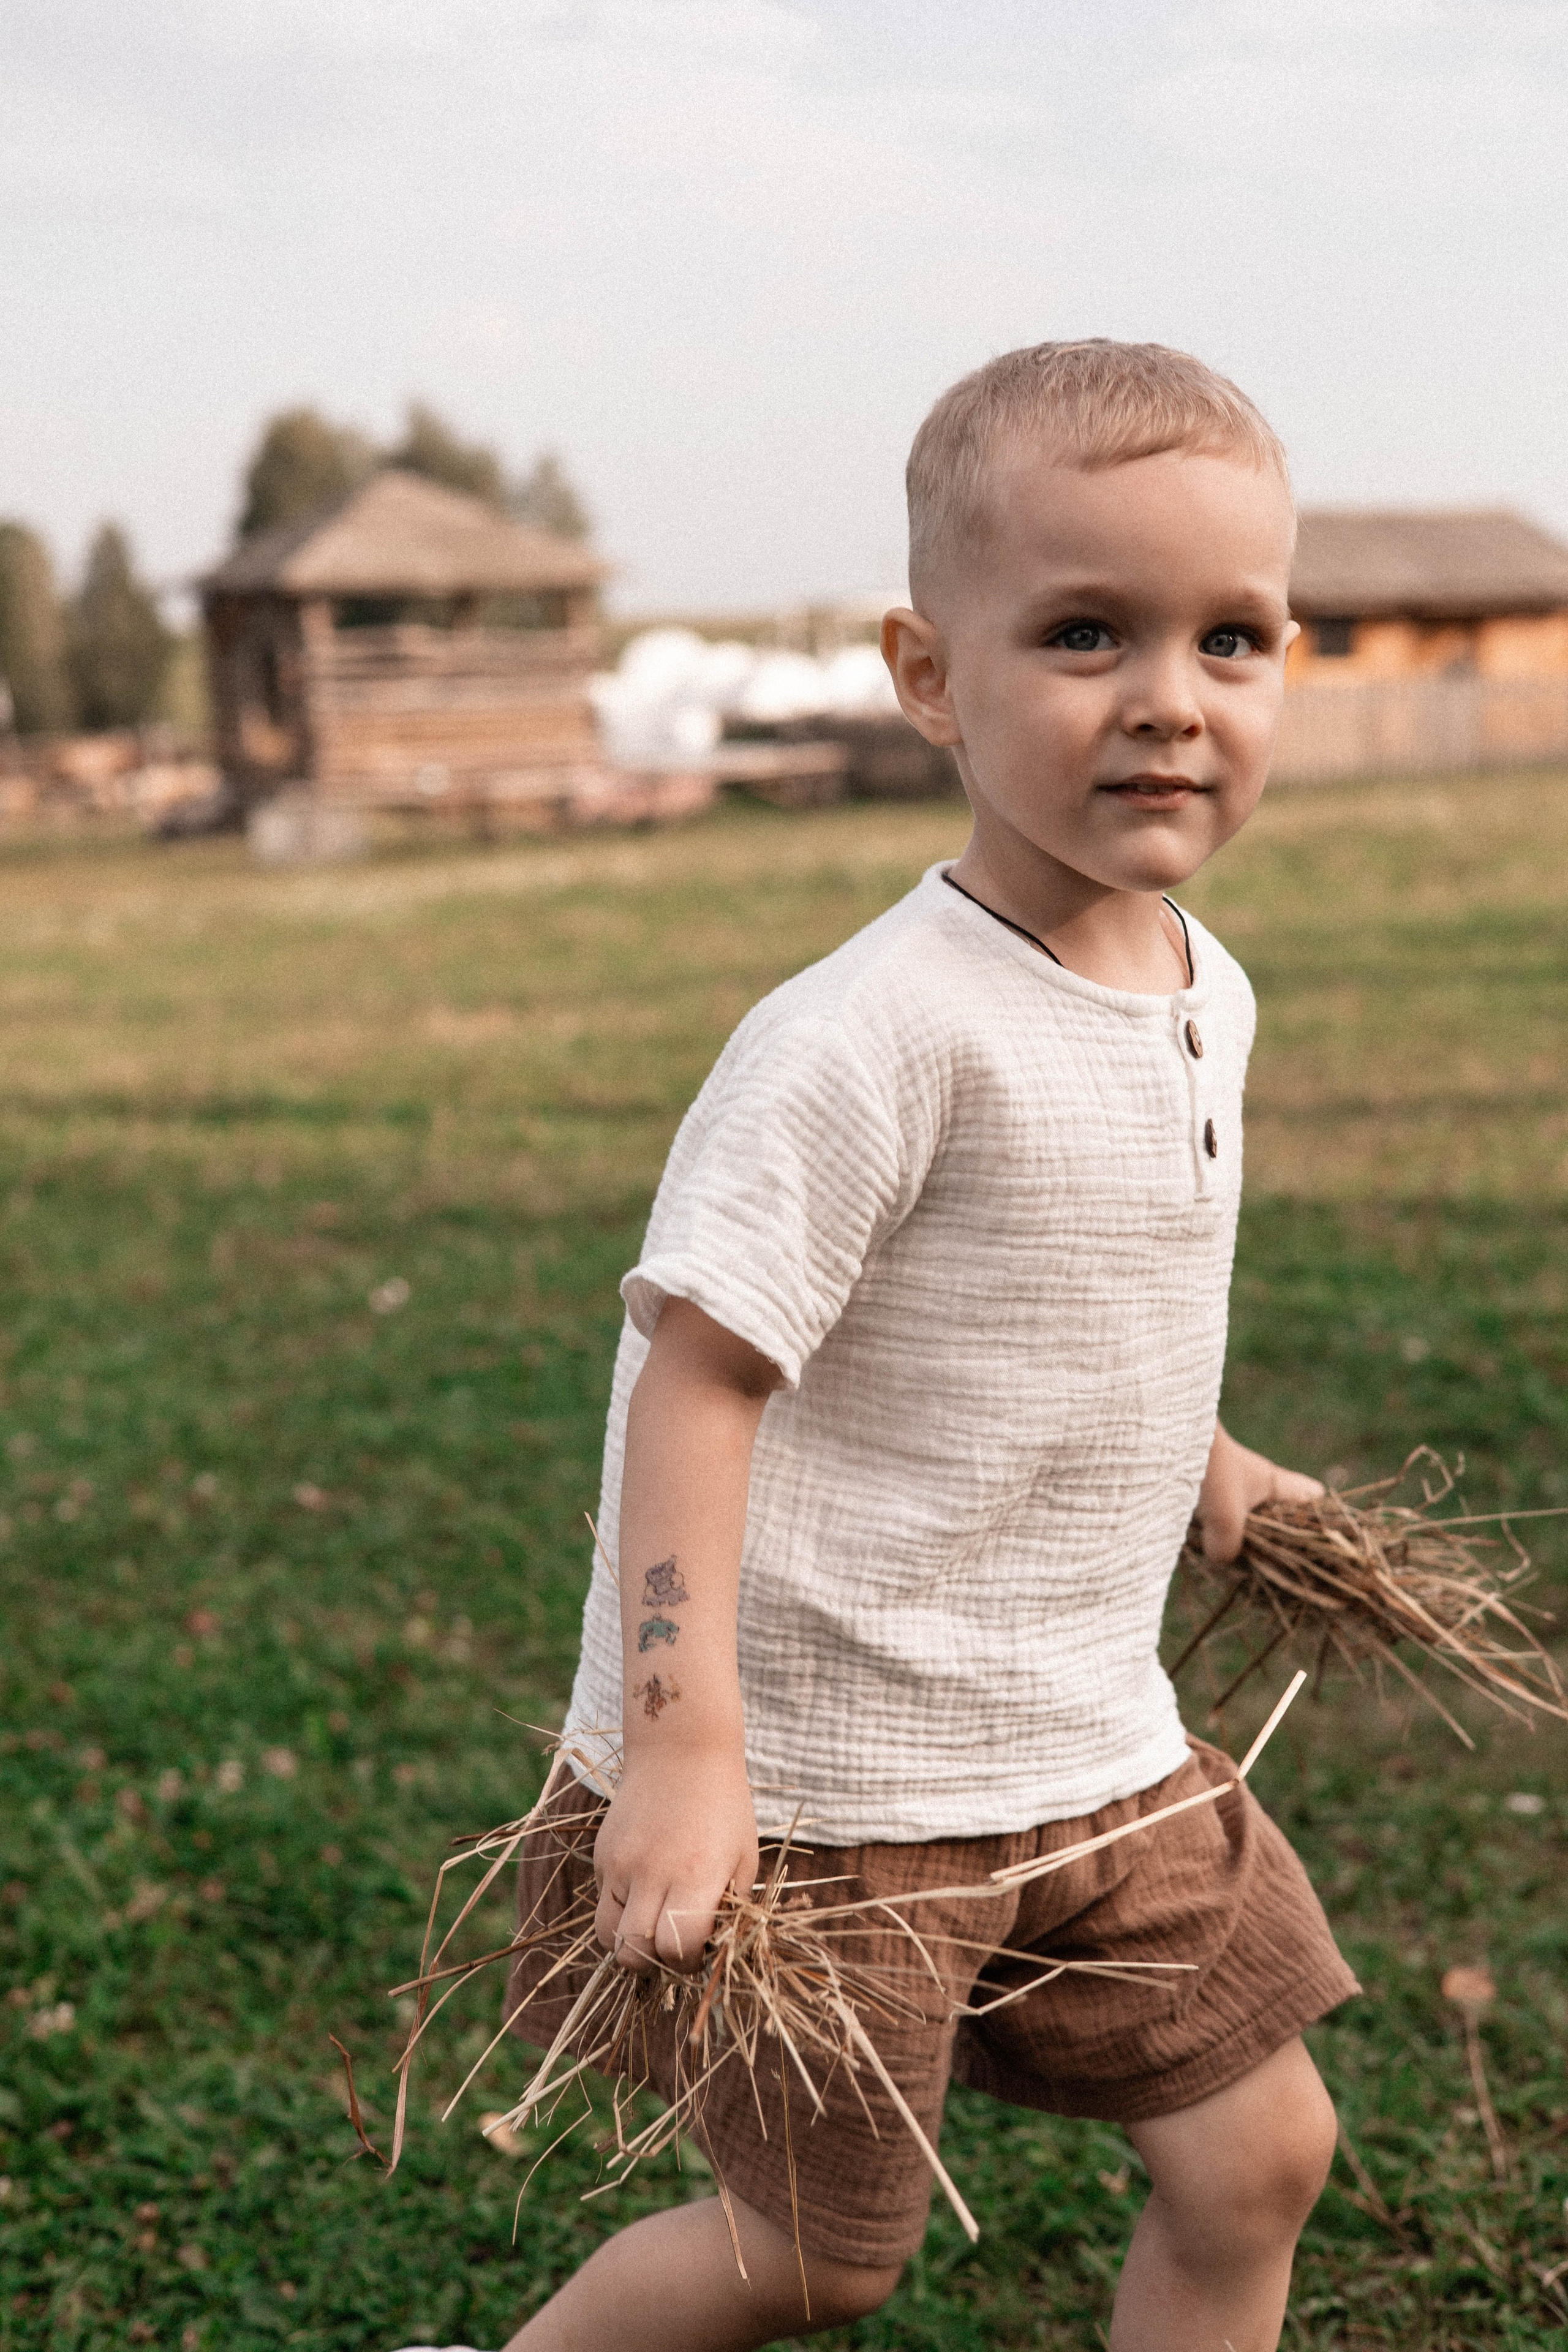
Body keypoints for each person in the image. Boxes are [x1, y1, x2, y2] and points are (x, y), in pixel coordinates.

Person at [394, 338, 1357, 2352]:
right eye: (1087, 632)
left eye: (1235, 639)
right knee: (817, 2255)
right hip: (840, 1775)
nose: (1172, 700)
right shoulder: (869, 1038)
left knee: (1259, 2153)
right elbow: (700, 1373)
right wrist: (686, 1748)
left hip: (1088, 1743)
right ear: (930, 675)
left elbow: (1064, 1310)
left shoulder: (1209, 987)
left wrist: (1213, 1465)